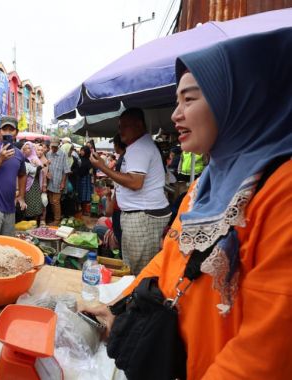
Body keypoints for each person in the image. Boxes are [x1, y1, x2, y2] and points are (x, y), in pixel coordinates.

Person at [82, 29, 292, 379]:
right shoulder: (203, 187)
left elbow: (263, 353)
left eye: (189, 100)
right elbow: (167, 260)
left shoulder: (280, 190)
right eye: (177, 101)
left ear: (237, 99)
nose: (176, 115)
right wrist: (116, 307)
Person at [90, 108, 170, 275]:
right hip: (141, 214)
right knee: (133, 266)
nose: (120, 131)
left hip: (142, 216)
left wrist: (103, 167)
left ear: (139, 125)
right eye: (119, 126)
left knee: (137, 271)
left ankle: (135, 299)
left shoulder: (139, 147)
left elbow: (135, 182)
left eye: (125, 126)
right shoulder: (139, 146)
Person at [45, 136, 71, 225]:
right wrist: (47, 173)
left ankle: (57, 220)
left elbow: (66, 170)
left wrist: (63, 182)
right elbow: (46, 167)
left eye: (55, 146)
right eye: (52, 146)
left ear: (59, 145)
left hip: (58, 181)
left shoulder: (63, 154)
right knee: (51, 201)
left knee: (56, 202)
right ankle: (54, 218)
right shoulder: (48, 154)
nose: (53, 148)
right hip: (50, 182)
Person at [21, 141, 44, 223]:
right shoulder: (21, 158)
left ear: (32, 150)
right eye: (25, 147)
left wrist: (35, 167)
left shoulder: (35, 159)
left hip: (33, 185)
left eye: (29, 148)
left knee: (34, 204)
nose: (26, 149)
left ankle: (34, 223)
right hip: (23, 184)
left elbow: (40, 170)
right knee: (24, 203)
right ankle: (26, 222)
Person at [77, 146, 93, 215]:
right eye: (81, 150)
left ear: (86, 152)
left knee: (85, 195)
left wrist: (91, 172)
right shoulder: (78, 159)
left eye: (83, 150)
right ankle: (80, 210)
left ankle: (84, 210)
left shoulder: (89, 160)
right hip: (79, 178)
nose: (81, 152)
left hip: (86, 179)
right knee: (79, 194)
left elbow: (91, 169)